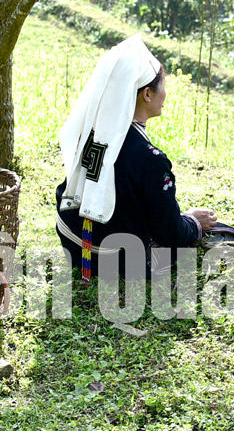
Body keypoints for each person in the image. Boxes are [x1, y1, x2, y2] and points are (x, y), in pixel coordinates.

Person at [56, 35, 217, 281]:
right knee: (212, 235)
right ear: (147, 95)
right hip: (114, 260)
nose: (166, 92)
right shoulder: (151, 159)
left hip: (73, 242)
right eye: (162, 85)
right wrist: (192, 222)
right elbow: (169, 234)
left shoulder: (90, 132)